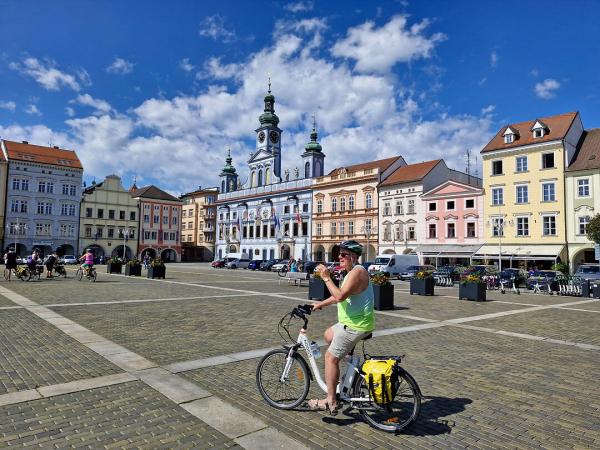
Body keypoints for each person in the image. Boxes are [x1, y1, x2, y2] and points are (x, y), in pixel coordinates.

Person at [308, 240, 374, 415]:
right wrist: (320, 304)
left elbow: (339, 296)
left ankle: (331, 400)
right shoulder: (350, 273)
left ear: (353, 257)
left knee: (330, 358)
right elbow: (341, 295)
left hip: (355, 325)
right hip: (349, 323)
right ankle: (346, 368)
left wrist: (326, 278)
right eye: (339, 254)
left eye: (343, 255)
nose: (339, 257)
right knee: (328, 335)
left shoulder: (357, 273)